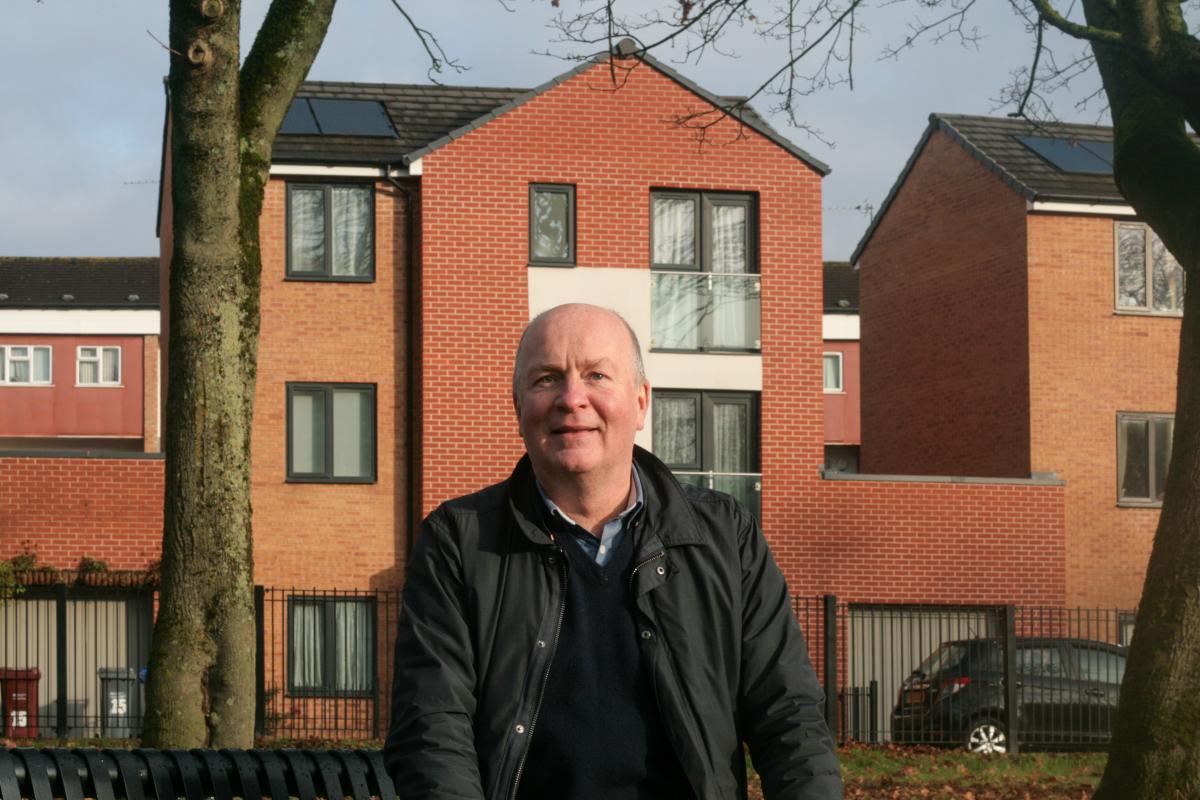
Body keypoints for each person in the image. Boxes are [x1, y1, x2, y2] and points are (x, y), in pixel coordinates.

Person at [384, 303, 842, 799]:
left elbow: (790, 718)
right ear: (518, 407)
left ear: (642, 402)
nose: (571, 398)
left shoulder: (725, 537)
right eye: (545, 380)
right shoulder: (459, 542)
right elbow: (431, 729)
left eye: (597, 375)